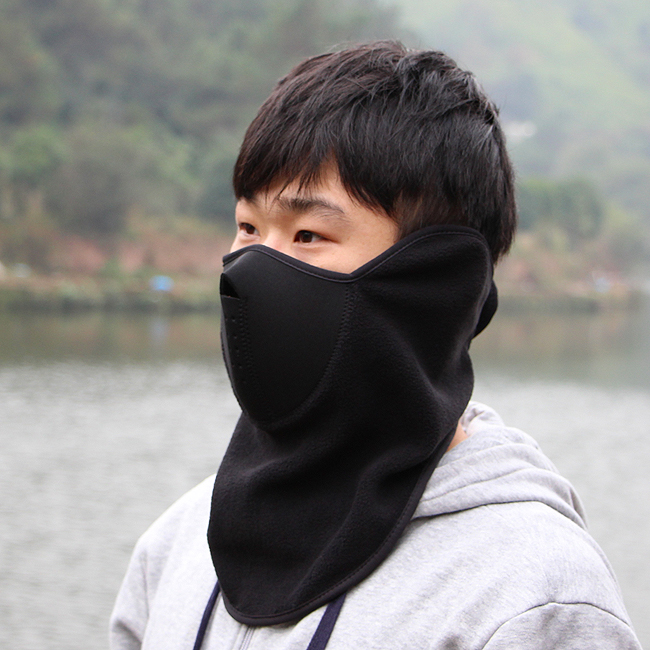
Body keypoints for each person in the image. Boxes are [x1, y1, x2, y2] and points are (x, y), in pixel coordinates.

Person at [110, 42, 641, 649]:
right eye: (248, 227)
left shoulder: (529, 598)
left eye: (308, 234)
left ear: (434, 283)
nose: (253, 269)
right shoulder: (179, 544)